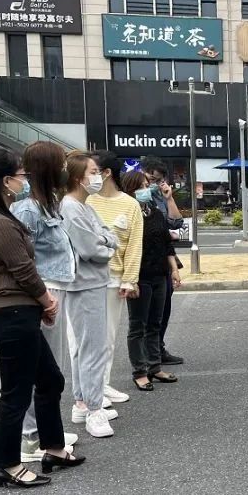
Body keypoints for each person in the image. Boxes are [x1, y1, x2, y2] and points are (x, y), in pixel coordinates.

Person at [0, 149, 83, 488]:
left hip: (17, 314)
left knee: (50, 380)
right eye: (21, 175)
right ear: (6, 181)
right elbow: (24, 270)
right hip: (11, 315)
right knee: (16, 394)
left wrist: (40, 305)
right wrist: (47, 301)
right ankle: (7, 464)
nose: (25, 180)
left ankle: (54, 448)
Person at [9, 142, 82, 462]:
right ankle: (31, 437)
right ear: (48, 168)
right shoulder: (27, 210)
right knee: (39, 369)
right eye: (61, 164)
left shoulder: (49, 204)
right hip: (43, 293)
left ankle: (47, 430)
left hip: (56, 289)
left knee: (51, 369)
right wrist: (41, 297)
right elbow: (21, 260)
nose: (65, 169)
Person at [61, 153, 120, 438]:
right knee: (93, 348)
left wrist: (105, 240)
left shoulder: (85, 207)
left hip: (91, 282)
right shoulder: (71, 208)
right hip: (84, 284)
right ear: (77, 177)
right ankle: (93, 408)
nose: (98, 177)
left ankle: (83, 402)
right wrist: (106, 244)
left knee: (87, 347)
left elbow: (108, 234)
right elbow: (92, 249)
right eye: (94, 172)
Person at [87, 152, 143, 404]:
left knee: (107, 338)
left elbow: (134, 245)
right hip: (85, 279)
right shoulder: (85, 201)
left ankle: (103, 384)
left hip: (113, 279)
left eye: (93, 170)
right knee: (85, 339)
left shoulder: (130, 205)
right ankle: (88, 393)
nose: (89, 176)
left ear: (106, 172)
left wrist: (129, 279)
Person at [122, 171, 181, 391]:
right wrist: (129, 279)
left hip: (159, 274)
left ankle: (154, 367)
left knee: (155, 323)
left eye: (147, 185)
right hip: (139, 276)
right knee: (138, 325)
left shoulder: (154, 211)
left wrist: (173, 269)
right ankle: (140, 371)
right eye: (141, 187)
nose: (146, 190)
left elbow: (167, 243)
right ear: (129, 190)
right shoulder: (127, 213)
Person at [141, 156, 185, 367]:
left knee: (163, 308)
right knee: (144, 314)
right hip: (143, 261)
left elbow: (176, 223)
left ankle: (158, 348)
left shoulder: (159, 197)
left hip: (164, 258)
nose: (153, 184)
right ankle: (145, 356)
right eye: (150, 179)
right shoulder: (132, 198)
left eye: (158, 180)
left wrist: (169, 198)